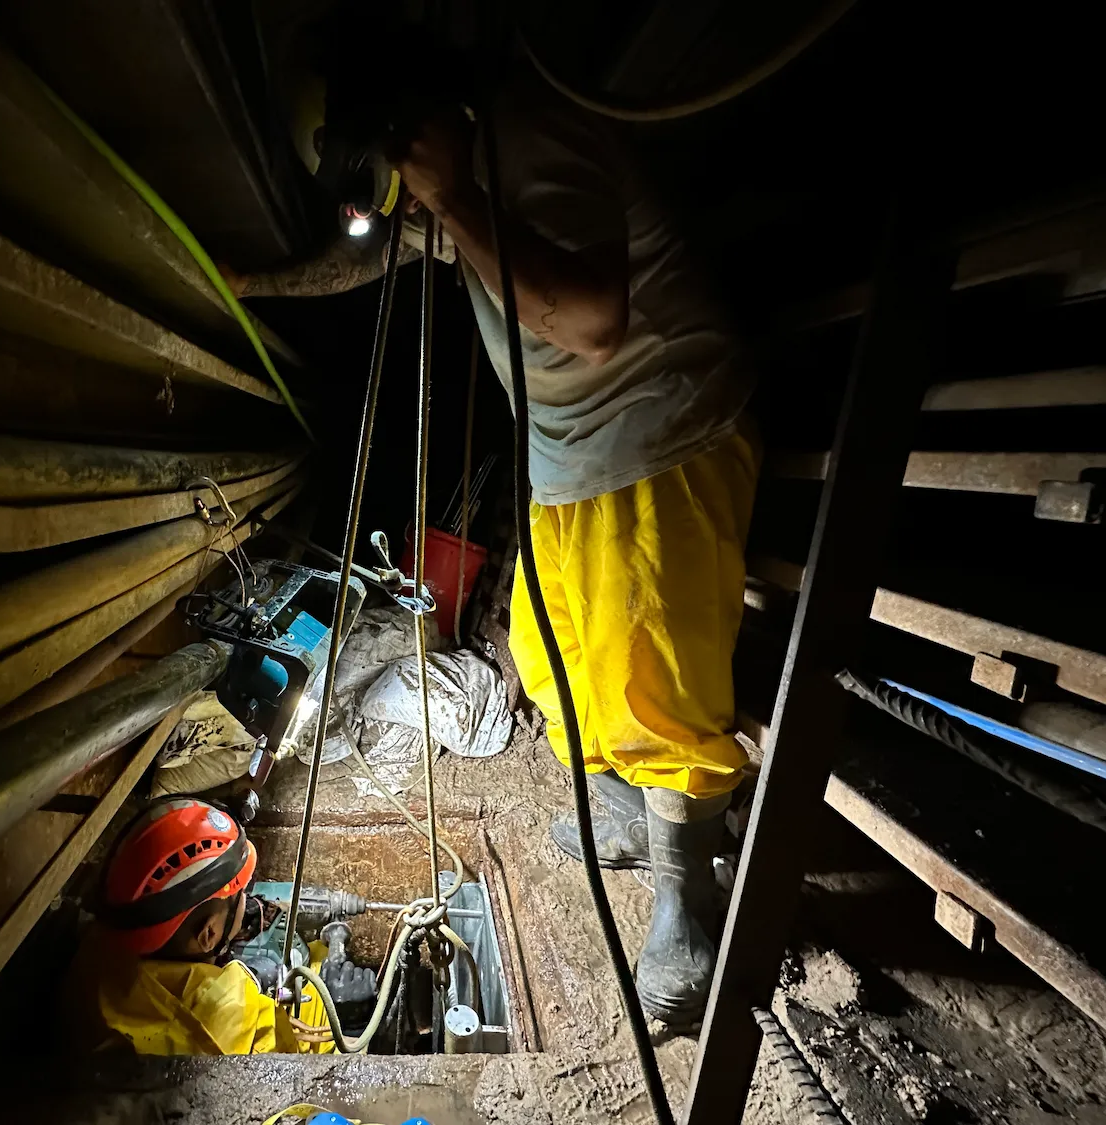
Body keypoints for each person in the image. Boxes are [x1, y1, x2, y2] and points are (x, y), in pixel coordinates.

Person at [231, 67, 757, 1030]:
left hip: (656, 434)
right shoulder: (454, 184)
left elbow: (595, 321)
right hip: (570, 460)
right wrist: (250, 282)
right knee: (549, 667)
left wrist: (459, 197)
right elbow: (375, 255)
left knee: (660, 687)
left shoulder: (528, 136)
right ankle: (631, 817)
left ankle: (690, 909)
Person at [62, 796, 333, 1055]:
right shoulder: (236, 1017)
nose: (248, 898)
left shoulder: (96, 947)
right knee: (316, 1002)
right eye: (240, 893)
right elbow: (291, 1057)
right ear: (209, 933)